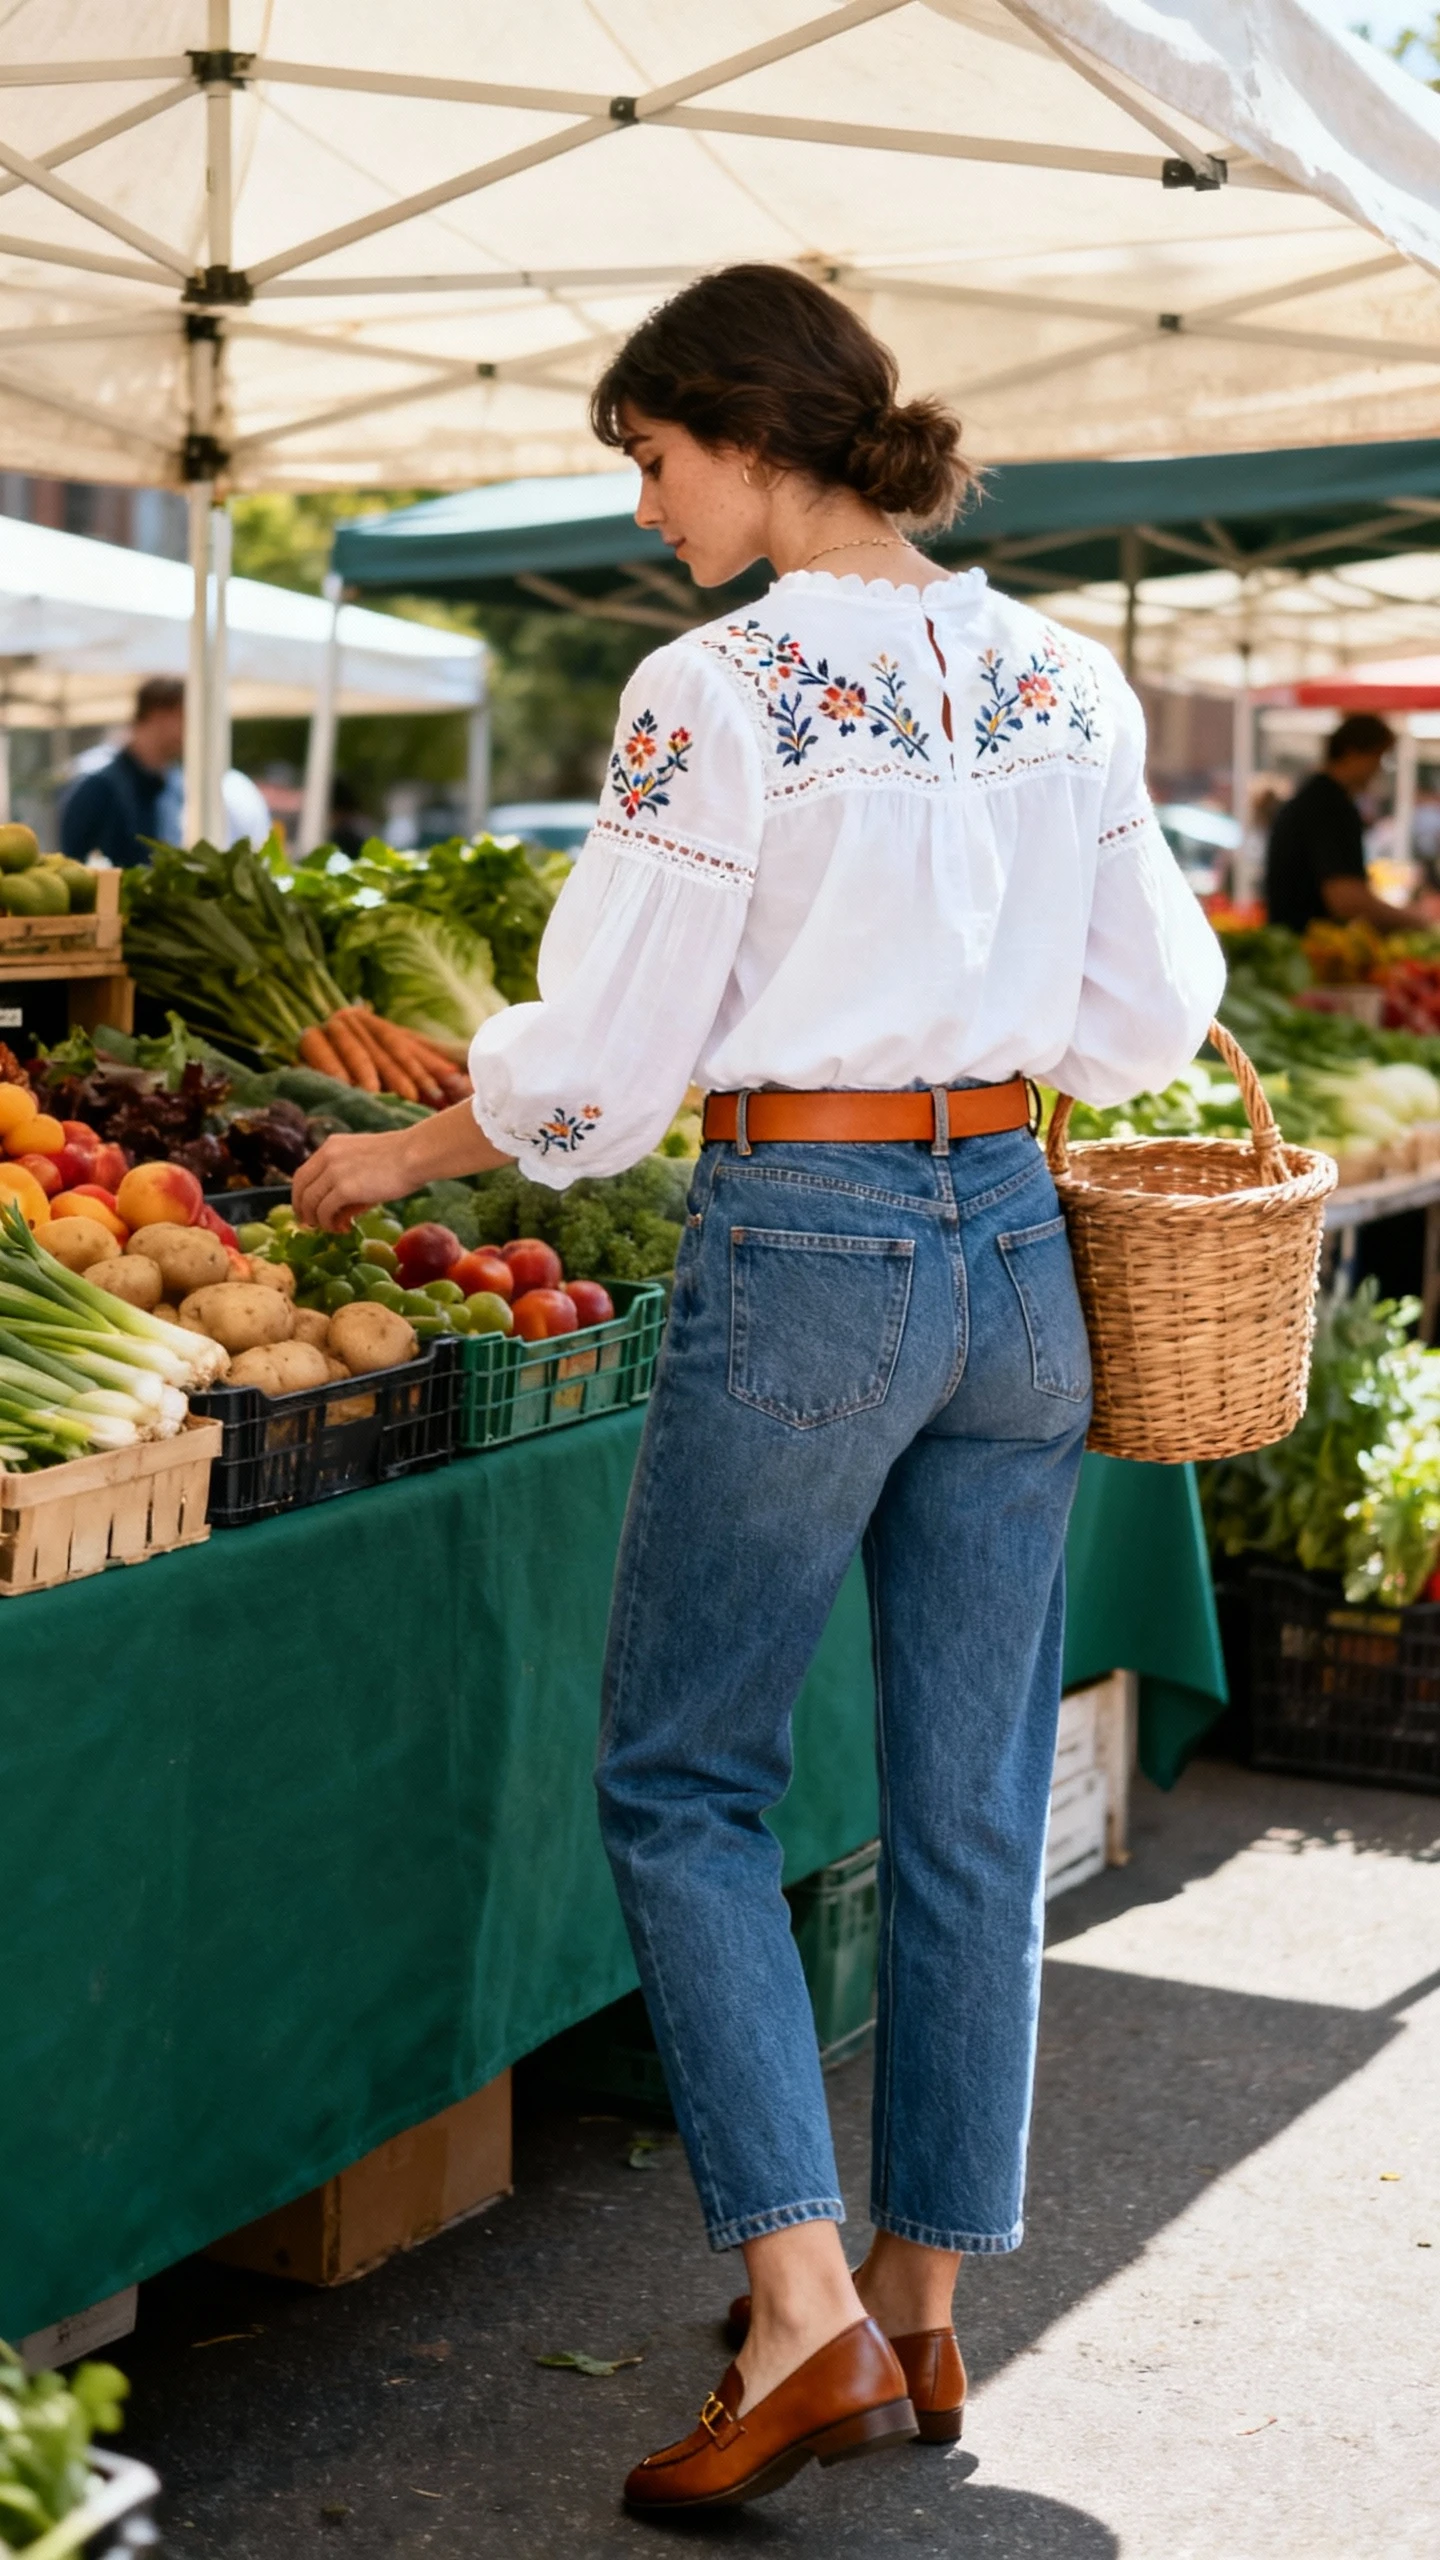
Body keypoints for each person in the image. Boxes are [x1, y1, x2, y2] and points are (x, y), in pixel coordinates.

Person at [293, 264, 1223, 2515]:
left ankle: (796, 2311)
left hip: (809, 1244)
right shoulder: (1055, 669)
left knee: (686, 1774)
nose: (647, 501)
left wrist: (407, 1147)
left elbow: (603, 1070)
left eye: (652, 452)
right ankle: (917, 2290)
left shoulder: (714, 690)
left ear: (746, 426)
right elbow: (1153, 1017)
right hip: (1016, 1241)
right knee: (973, 1785)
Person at [1265, 713, 1432, 935]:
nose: (1378, 770)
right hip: (1315, 949)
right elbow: (1347, 900)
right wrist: (1418, 923)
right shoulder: (1330, 807)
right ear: (1352, 753)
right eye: (1378, 757)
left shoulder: (1311, 797)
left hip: (1294, 943)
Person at [61, 676, 184, 869]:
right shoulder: (98, 791)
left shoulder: (173, 787)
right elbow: (72, 868)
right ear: (157, 715)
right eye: (183, 716)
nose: (190, 728)